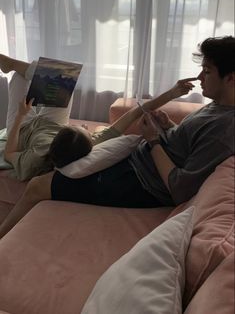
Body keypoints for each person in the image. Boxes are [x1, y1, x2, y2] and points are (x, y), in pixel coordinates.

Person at [0, 35, 234, 239]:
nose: (200, 76)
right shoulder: (217, 106)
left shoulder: (224, 129)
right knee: (60, 76)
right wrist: (167, 125)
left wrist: (153, 140)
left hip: (138, 183)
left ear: (231, 78)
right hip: (133, 161)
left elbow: (180, 189)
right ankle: (10, 65)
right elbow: (184, 145)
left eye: (207, 71)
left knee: (37, 186)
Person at [0, 53, 193, 182]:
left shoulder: (35, 159)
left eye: (81, 126)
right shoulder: (91, 143)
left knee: (19, 78)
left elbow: (9, 153)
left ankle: (12, 67)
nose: (84, 125)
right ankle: (11, 64)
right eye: (82, 127)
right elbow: (136, 112)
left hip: (23, 126)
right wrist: (171, 94)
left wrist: (20, 116)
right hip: (51, 123)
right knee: (64, 76)